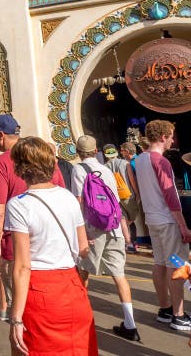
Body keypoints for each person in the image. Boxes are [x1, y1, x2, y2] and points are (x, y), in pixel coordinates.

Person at [5, 136, 95, 356]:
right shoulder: (68, 197)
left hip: (40, 290)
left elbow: (22, 267)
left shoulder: (19, 205)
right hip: (73, 287)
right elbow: (84, 248)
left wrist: (15, 318)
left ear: (19, 168)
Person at [0, 113, 65, 322]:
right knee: (47, 310)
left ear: (0, 135)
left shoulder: (1, 163)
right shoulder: (46, 159)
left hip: (16, 246)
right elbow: (61, 195)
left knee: (22, 312)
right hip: (52, 246)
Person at [71, 135, 140, 341]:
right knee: (119, 274)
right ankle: (130, 324)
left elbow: (79, 202)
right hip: (114, 227)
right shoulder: (108, 170)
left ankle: (80, 317)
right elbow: (116, 201)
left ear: (78, 151)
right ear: (96, 150)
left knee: (83, 271)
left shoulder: (78, 169)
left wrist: (79, 232)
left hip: (93, 228)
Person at [131, 119, 191, 332]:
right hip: (167, 221)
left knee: (160, 263)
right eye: (171, 136)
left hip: (152, 220)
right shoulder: (161, 162)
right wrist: (183, 226)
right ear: (164, 137)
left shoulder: (140, 159)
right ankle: (179, 314)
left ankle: (165, 308)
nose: (173, 140)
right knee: (177, 265)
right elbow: (171, 196)